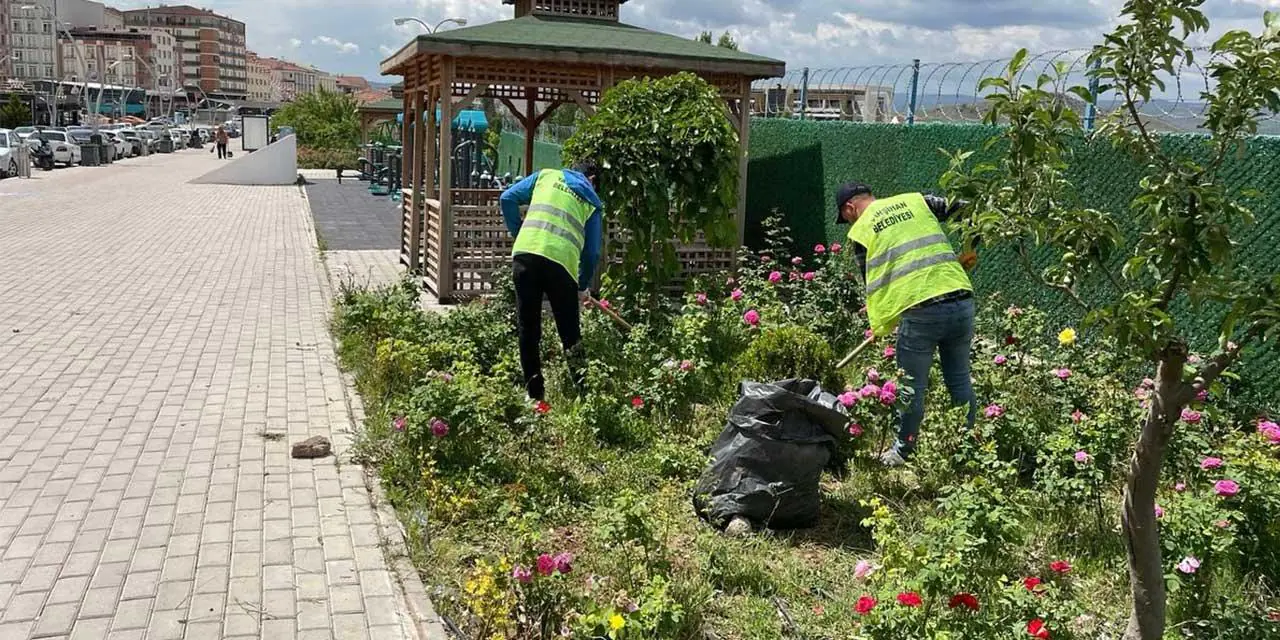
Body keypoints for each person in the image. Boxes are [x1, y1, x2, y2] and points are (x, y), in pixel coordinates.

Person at [835, 182, 979, 466]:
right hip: (961, 300)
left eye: (846, 217)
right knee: (960, 379)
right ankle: (966, 449)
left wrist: (881, 324)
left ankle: (903, 451)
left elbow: (872, 286)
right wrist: (969, 249)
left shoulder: (862, 232)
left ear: (851, 208)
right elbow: (969, 208)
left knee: (912, 387)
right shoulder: (917, 201)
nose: (849, 222)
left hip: (921, 311)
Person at [500, 162, 604, 401]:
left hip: (525, 255)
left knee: (528, 328)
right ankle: (585, 394)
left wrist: (520, 234)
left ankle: (535, 398)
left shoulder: (545, 175)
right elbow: (591, 254)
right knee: (569, 332)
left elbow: (507, 198)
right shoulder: (591, 201)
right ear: (591, 178)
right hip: (562, 266)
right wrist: (582, 285)